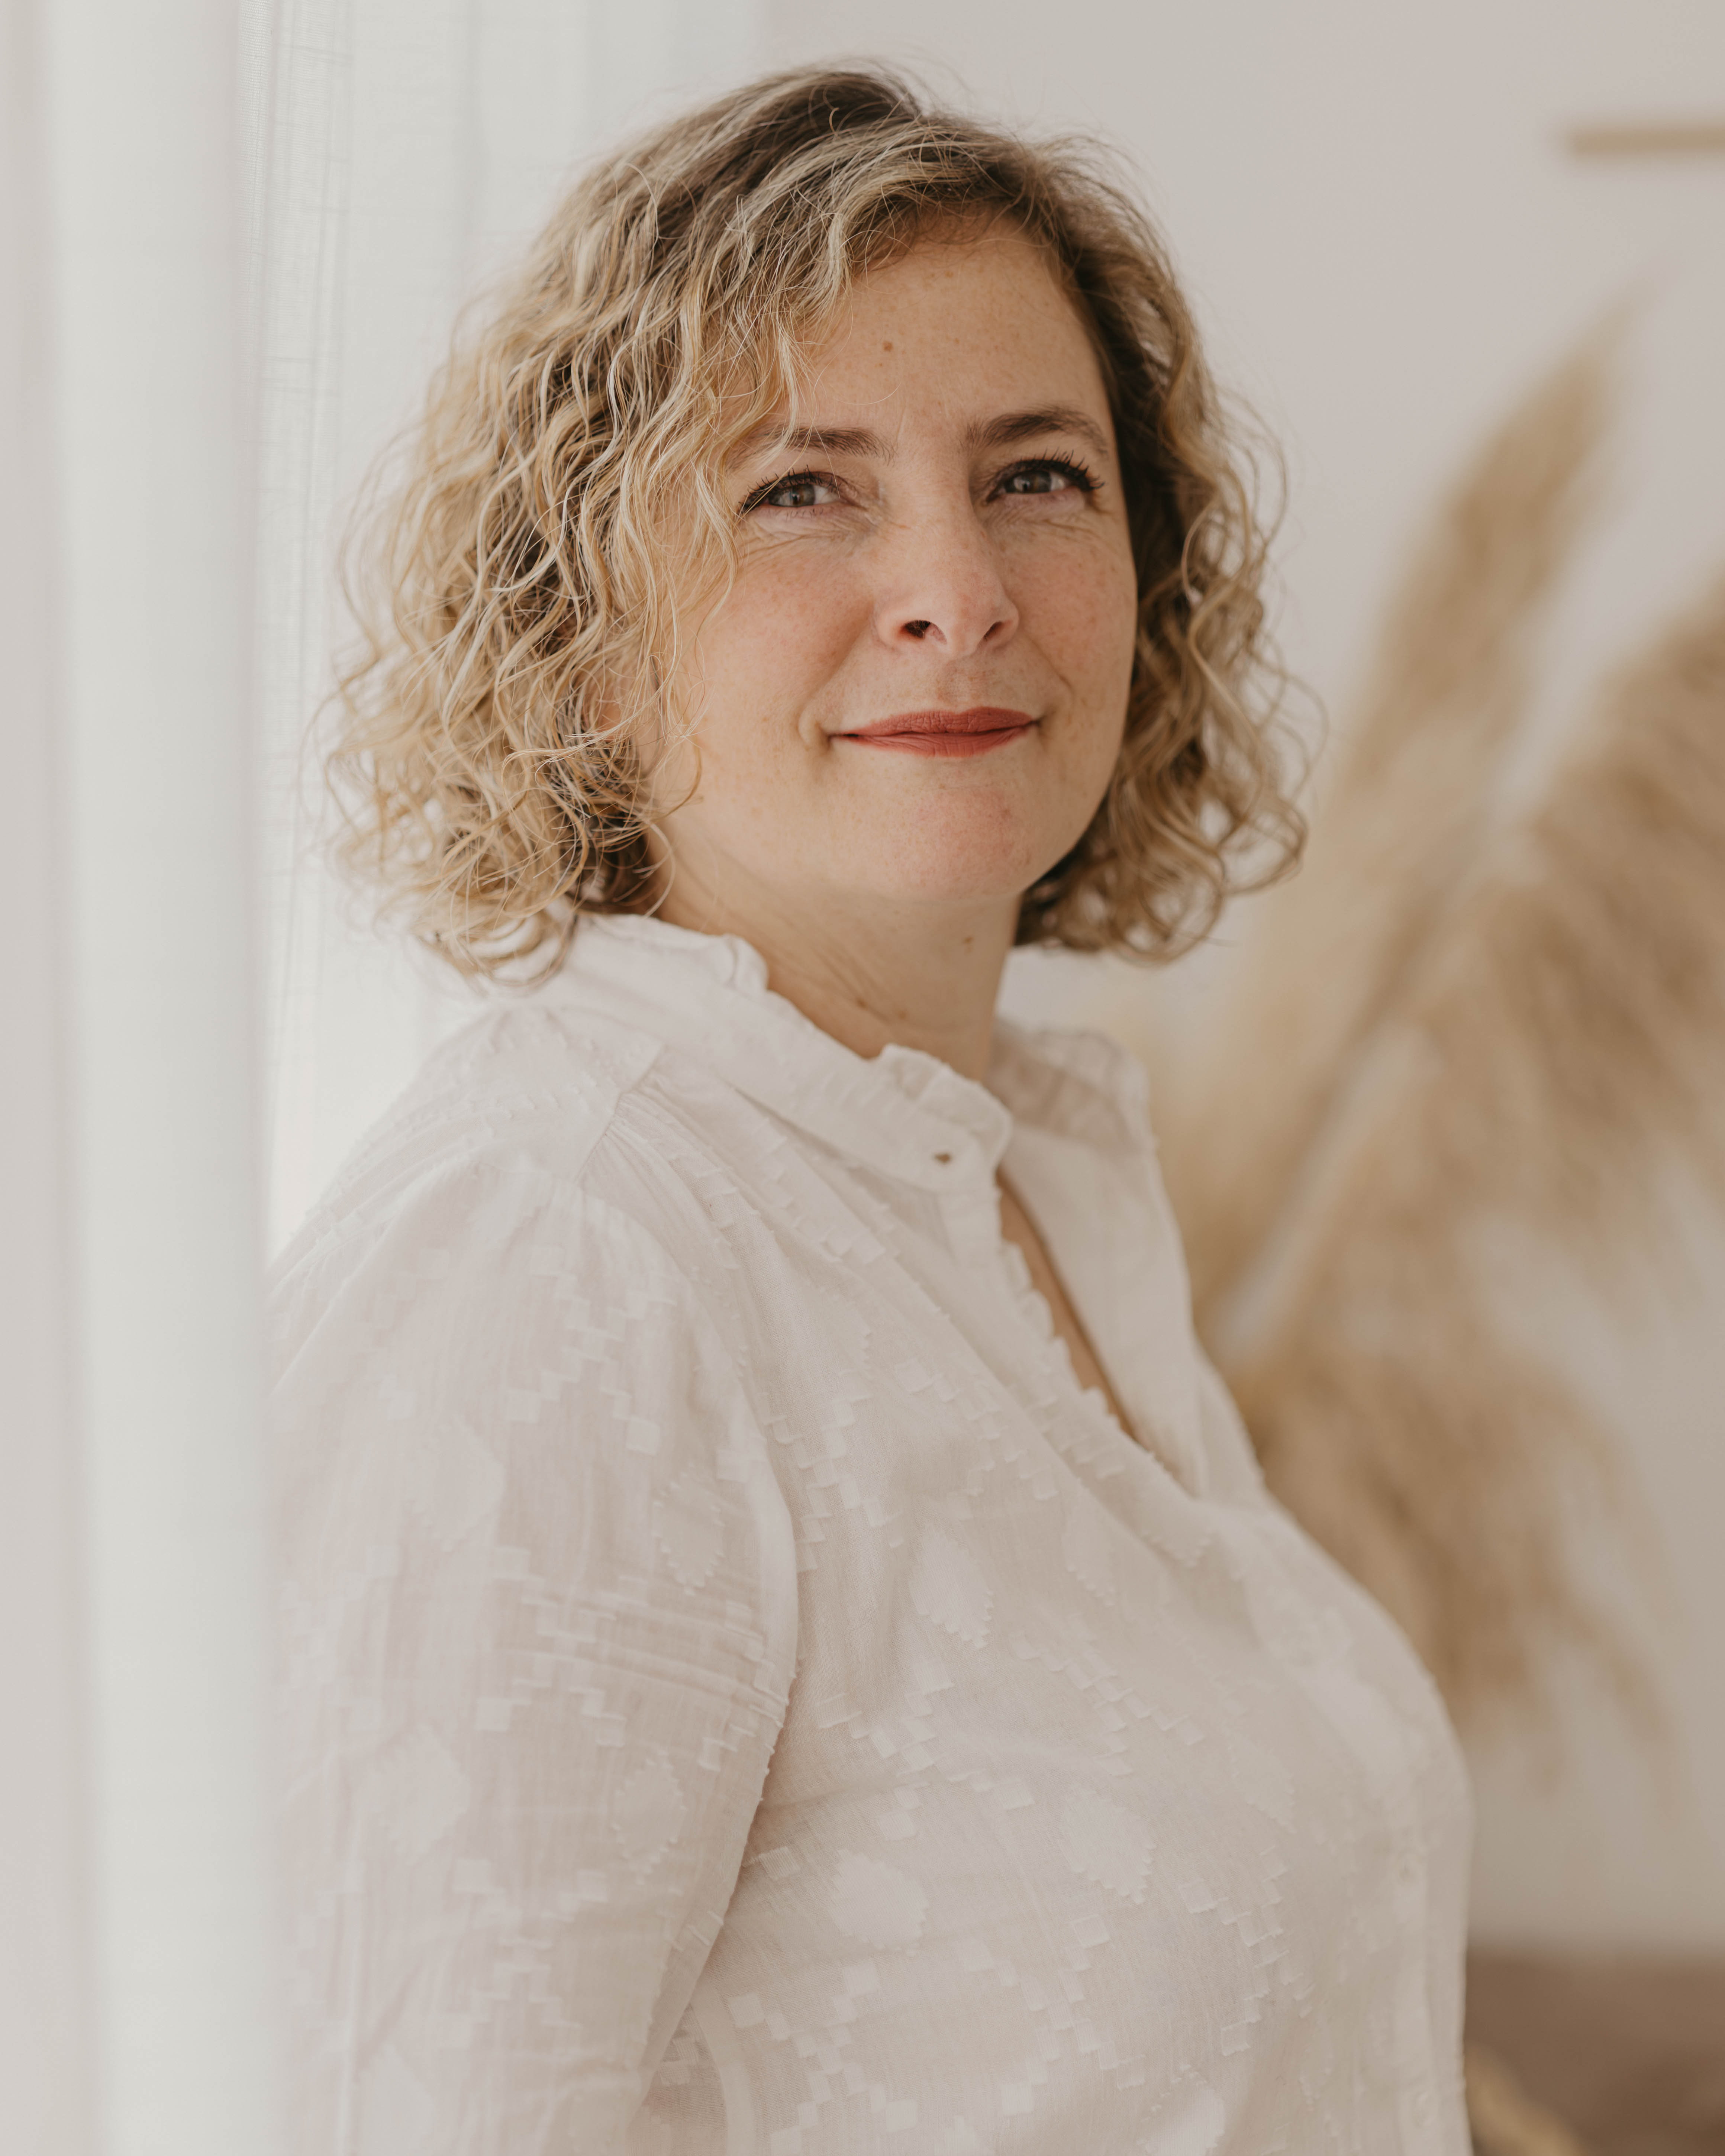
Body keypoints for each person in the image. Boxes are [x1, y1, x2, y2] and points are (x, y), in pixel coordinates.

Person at [271, 65, 1472, 2154]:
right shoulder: (560, 1263)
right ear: (584, 650)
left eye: (1037, 474)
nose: (959, 586)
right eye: (802, 488)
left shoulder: (1018, 1182)